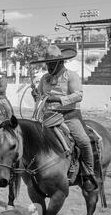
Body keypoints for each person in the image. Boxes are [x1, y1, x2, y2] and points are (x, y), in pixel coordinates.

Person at [31, 44, 97, 192]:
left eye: (51, 63)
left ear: (60, 62)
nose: (48, 66)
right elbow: (41, 96)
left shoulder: (71, 75)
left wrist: (58, 99)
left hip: (69, 116)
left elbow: (78, 95)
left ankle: (88, 174)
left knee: (84, 141)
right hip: (47, 116)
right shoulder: (44, 78)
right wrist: (36, 96)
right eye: (47, 63)